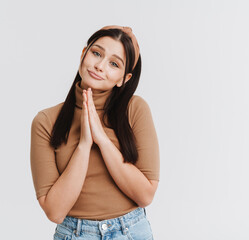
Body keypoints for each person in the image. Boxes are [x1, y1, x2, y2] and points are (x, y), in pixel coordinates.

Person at [30, 25, 160, 240]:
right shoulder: (45, 122)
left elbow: (146, 195)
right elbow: (54, 211)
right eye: (96, 53)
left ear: (124, 79)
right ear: (83, 54)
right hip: (74, 233)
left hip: (132, 231)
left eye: (114, 63)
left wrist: (102, 140)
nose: (100, 66)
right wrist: (83, 145)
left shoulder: (135, 109)